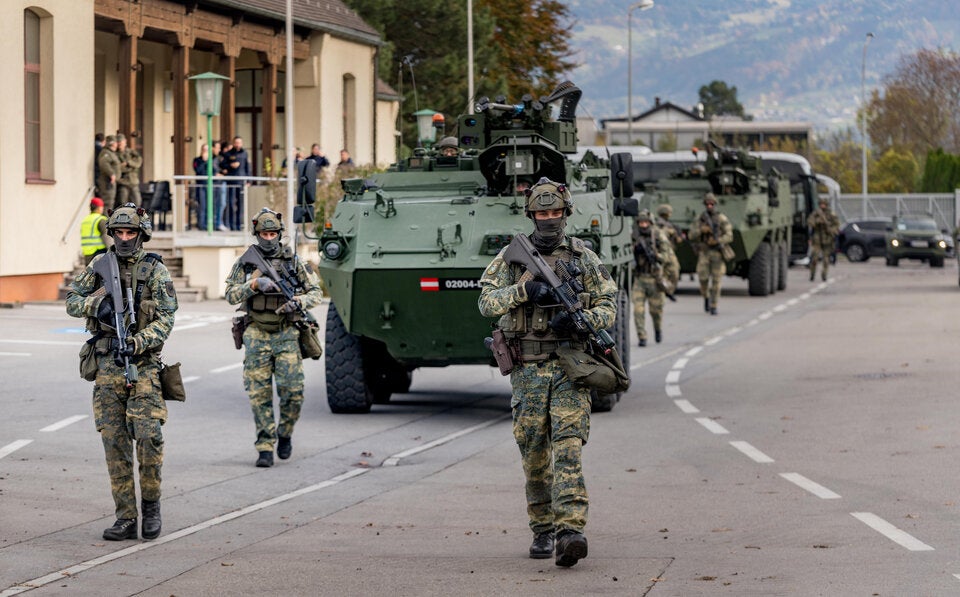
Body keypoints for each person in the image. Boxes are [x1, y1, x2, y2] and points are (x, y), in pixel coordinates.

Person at [478, 178, 616, 568]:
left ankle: (570, 531)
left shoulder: (583, 257)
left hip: (571, 366)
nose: (549, 219)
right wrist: (524, 292)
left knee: (568, 448)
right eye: (542, 213)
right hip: (528, 371)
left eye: (555, 212)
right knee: (535, 456)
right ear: (532, 216)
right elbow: (486, 302)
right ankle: (542, 528)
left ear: (566, 213)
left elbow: (608, 304)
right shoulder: (511, 258)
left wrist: (581, 320)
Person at [65, 203, 178, 541]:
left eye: (130, 232)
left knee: (149, 440)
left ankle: (151, 508)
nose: (125, 238)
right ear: (112, 234)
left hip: (143, 366)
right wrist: (96, 304)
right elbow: (72, 300)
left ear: (141, 235)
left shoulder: (155, 269)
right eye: (119, 232)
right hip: (107, 365)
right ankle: (126, 517)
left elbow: (167, 318)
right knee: (114, 446)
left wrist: (139, 341)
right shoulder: (99, 265)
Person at [224, 209, 323, 468]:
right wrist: (253, 286)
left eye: (272, 234)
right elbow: (230, 295)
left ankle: (285, 432)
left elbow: (316, 292)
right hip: (256, 332)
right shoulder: (246, 263)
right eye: (264, 234)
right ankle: (265, 446)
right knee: (259, 395)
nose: (268, 238)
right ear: (257, 235)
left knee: (293, 393)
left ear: (279, 234)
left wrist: (298, 302)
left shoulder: (293, 261)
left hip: (287, 333)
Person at [688, 192, 733, 315]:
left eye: (711, 204)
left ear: (715, 204)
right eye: (707, 204)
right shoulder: (699, 219)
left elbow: (729, 235)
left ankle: (714, 305)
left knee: (716, 282)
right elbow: (691, 235)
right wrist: (700, 230)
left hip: (717, 253)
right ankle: (706, 297)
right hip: (704, 252)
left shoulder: (721, 218)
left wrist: (718, 240)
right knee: (703, 279)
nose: (709, 206)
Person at [632, 210, 672, 346]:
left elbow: (667, 256)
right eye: (641, 223)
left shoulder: (658, 235)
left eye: (646, 222)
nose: (643, 225)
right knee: (638, 310)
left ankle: (658, 329)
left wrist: (656, 255)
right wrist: (634, 250)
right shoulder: (634, 235)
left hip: (655, 278)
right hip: (639, 278)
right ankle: (642, 336)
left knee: (656, 311)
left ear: (650, 222)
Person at [808, 198, 840, 281]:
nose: (822, 206)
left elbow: (837, 225)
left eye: (824, 204)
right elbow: (810, 222)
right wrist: (818, 221)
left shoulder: (831, 214)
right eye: (821, 204)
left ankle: (824, 275)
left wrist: (830, 229)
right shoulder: (816, 213)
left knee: (826, 259)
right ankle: (812, 274)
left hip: (827, 238)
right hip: (817, 238)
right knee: (814, 257)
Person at [223, 136, 251, 230]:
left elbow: (248, 167)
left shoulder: (244, 153)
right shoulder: (228, 154)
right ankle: (232, 225)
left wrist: (249, 181)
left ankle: (239, 225)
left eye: (239, 143)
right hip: (231, 182)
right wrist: (230, 165)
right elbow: (223, 165)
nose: (238, 144)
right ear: (233, 143)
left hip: (241, 182)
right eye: (236, 143)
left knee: (240, 204)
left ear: (241, 143)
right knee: (231, 203)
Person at [655, 203, 683, 293]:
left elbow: (678, 239)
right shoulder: (657, 225)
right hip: (660, 252)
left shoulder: (671, 225)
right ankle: (664, 291)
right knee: (662, 273)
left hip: (669, 252)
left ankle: (668, 290)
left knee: (673, 271)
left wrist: (676, 235)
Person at [80, 197, 111, 265]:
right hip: (99, 253)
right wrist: (112, 250)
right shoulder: (101, 220)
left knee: (90, 271)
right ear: (99, 208)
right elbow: (106, 237)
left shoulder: (85, 220)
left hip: (87, 254)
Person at [116, 134, 143, 207]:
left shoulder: (131, 152)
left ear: (125, 142)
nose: (119, 144)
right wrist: (131, 167)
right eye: (118, 142)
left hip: (133, 181)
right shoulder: (115, 154)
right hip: (123, 182)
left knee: (137, 202)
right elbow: (118, 168)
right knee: (123, 203)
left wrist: (128, 163)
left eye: (121, 142)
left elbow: (138, 162)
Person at [97, 136, 121, 209]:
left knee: (110, 202)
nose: (117, 144)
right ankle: (105, 216)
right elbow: (104, 163)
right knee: (107, 202)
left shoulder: (112, 153)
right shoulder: (106, 152)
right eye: (116, 142)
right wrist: (111, 174)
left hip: (111, 182)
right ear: (112, 143)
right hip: (107, 182)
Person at [192, 144, 211, 230]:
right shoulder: (196, 160)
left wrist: (208, 161)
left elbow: (214, 170)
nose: (205, 151)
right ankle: (201, 225)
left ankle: (209, 224)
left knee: (209, 206)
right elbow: (198, 170)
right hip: (200, 186)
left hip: (210, 185)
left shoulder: (212, 160)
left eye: (207, 150)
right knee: (202, 205)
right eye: (204, 149)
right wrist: (204, 161)